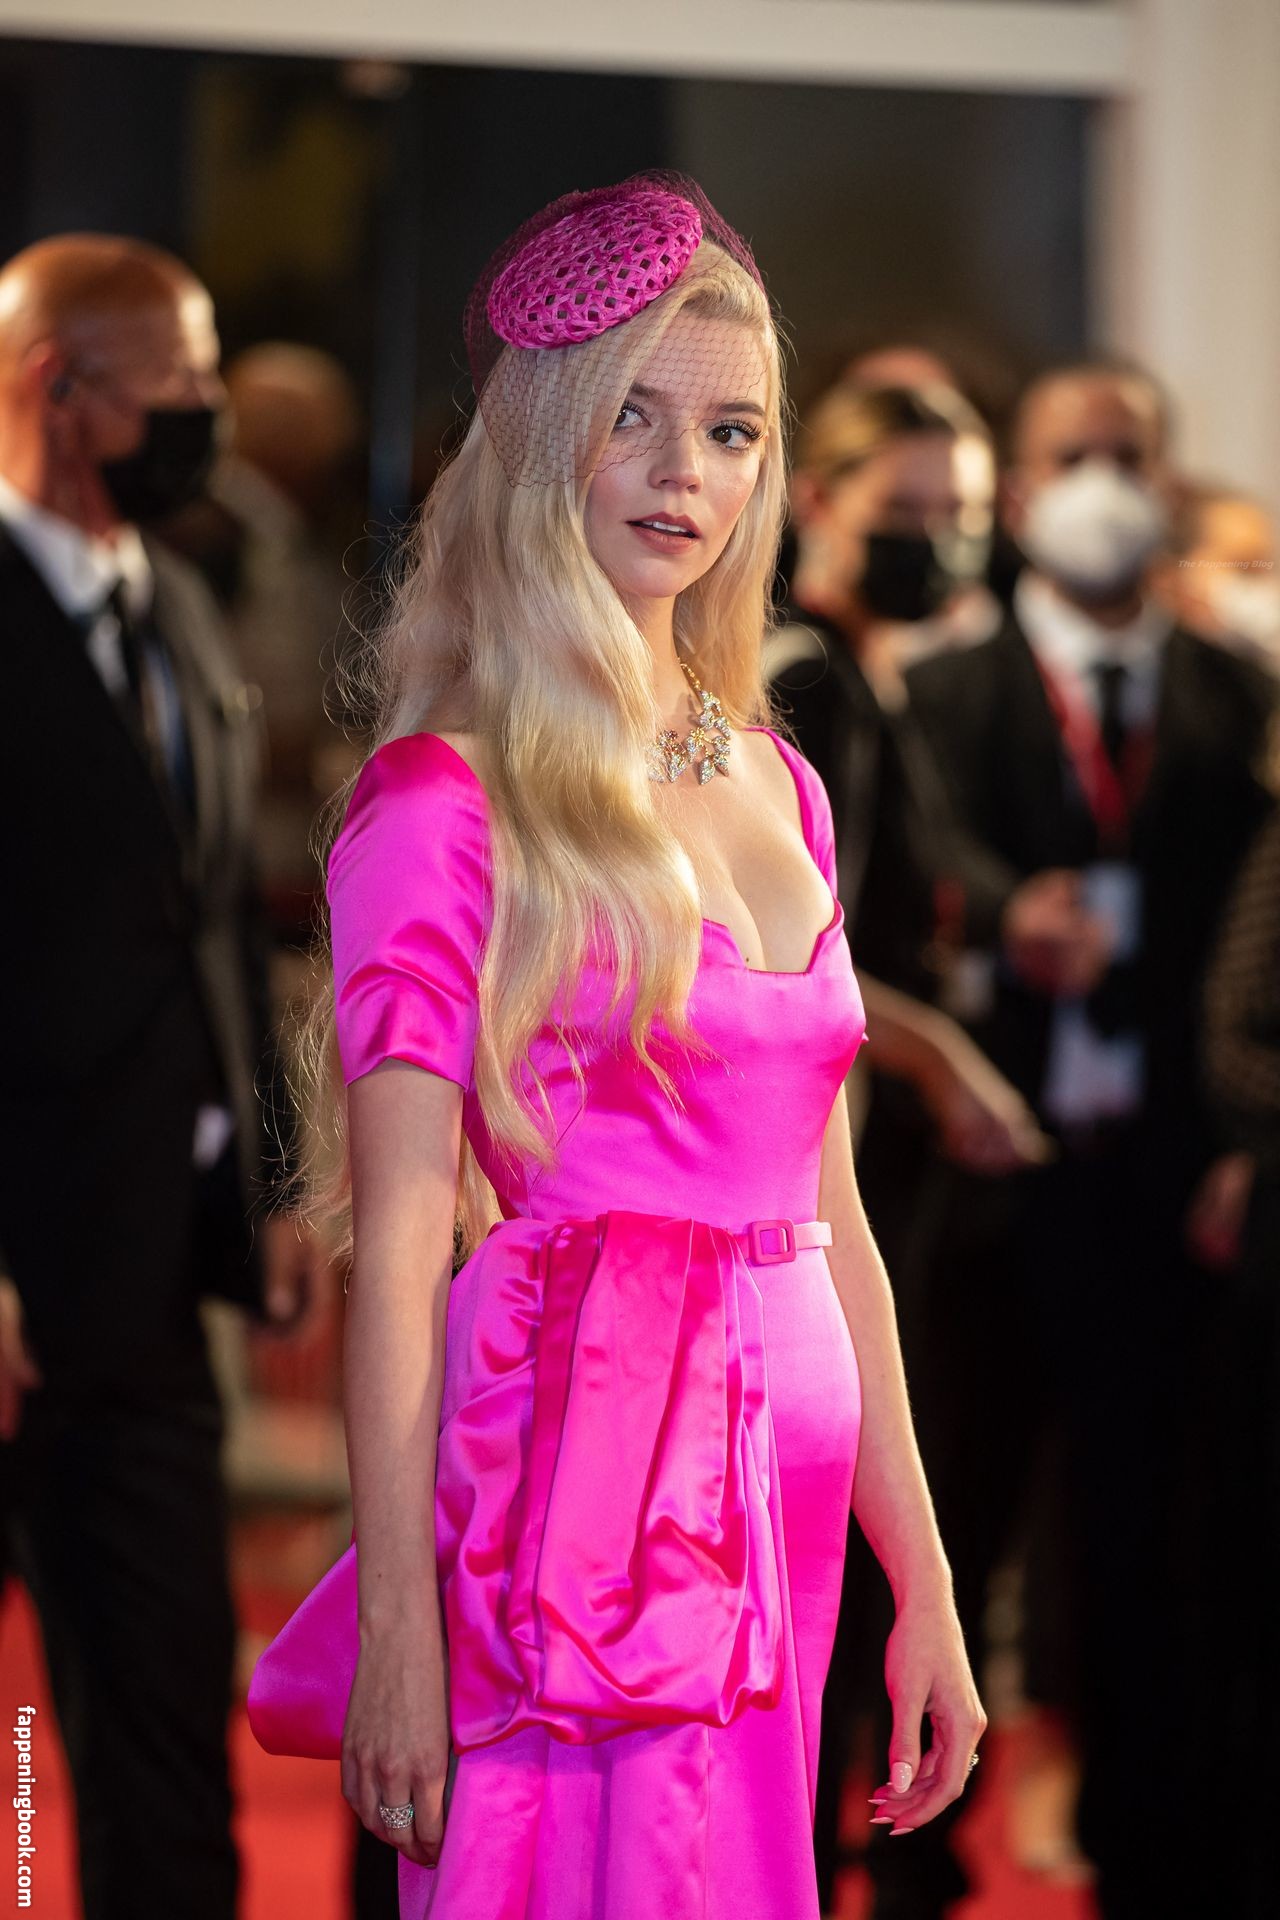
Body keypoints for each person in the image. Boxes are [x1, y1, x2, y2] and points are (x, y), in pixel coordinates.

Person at [247, 174, 985, 1920]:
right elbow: (399, 1250)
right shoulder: (447, 801)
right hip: (581, 1500)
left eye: (731, 431)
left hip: (782, 1497)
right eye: (632, 417)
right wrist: (401, 1634)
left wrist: (928, 1582)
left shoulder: (781, 779)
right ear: (539, 443)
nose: (683, 473)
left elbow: (834, 1221)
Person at [902, 359, 1277, 1920]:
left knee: (1148, 1548)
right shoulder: (942, 693)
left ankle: (1149, 1859)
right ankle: (905, 1861)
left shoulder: (1235, 693)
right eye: (1073, 455)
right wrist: (1002, 923)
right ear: (1020, 484)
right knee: (948, 1518)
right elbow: (901, 887)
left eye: (1128, 453)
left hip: (1168, 1191)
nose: (1102, 482)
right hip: (985, 1184)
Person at [0, 233, 324, 1919]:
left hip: (145, 1284)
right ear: (61, 386)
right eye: (181, 381)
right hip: (11, 1262)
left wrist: (270, 1179)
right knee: (21, 1773)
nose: (210, 413)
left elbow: (220, 933)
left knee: (167, 1736)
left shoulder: (179, 601)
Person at [771, 378, 1056, 1913]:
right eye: (906, 511)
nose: (936, 541)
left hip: (877, 1181)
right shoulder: (805, 684)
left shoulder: (872, 681)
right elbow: (795, 965)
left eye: (960, 515)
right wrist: (943, 1057)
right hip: (831, 1179)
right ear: (818, 501)